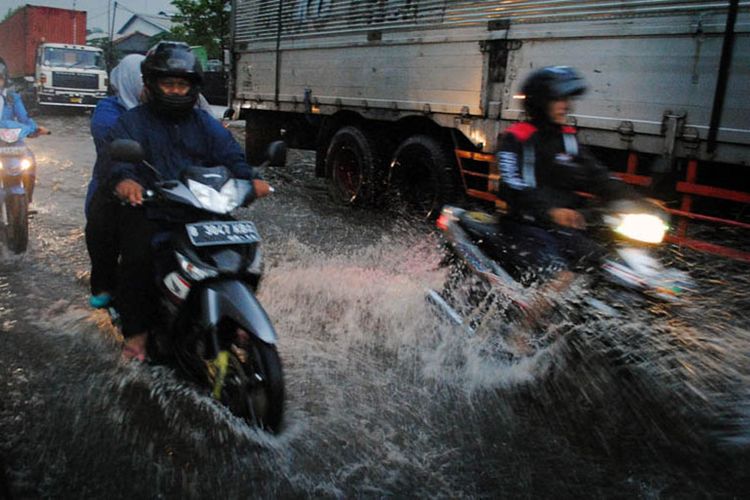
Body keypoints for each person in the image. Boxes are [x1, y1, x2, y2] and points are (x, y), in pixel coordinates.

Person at [104, 42, 271, 361]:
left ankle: (236, 313)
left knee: (243, 251)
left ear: (193, 87)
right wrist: (127, 182)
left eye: (182, 85)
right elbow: (117, 163)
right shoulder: (132, 122)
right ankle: (137, 335)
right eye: (169, 83)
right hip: (152, 209)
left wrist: (249, 178)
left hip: (201, 207)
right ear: (152, 84)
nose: (176, 91)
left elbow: (230, 154)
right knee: (137, 257)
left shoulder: (204, 123)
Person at [495, 66, 639, 324]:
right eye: (559, 99)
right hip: (524, 225)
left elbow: (598, 175)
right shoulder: (516, 138)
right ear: (541, 102)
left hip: (563, 229)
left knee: (611, 266)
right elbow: (511, 185)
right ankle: (519, 334)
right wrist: (551, 211)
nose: (566, 105)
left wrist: (637, 201)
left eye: (567, 99)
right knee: (561, 277)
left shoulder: (568, 139)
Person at [85, 54, 145, 309]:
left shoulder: (166, 110)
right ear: (129, 80)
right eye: (143, 80)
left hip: (158, 184)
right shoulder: (109, 110)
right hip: (112, 185)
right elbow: (111, 141)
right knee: (103, 233)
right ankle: (105, 286)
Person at [0, 57, 48, 201]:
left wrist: (35, 129)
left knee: (30, 160)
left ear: (4, 79)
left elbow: (25, 119)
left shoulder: (12, 98)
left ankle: (27, 199)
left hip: (10, 145)